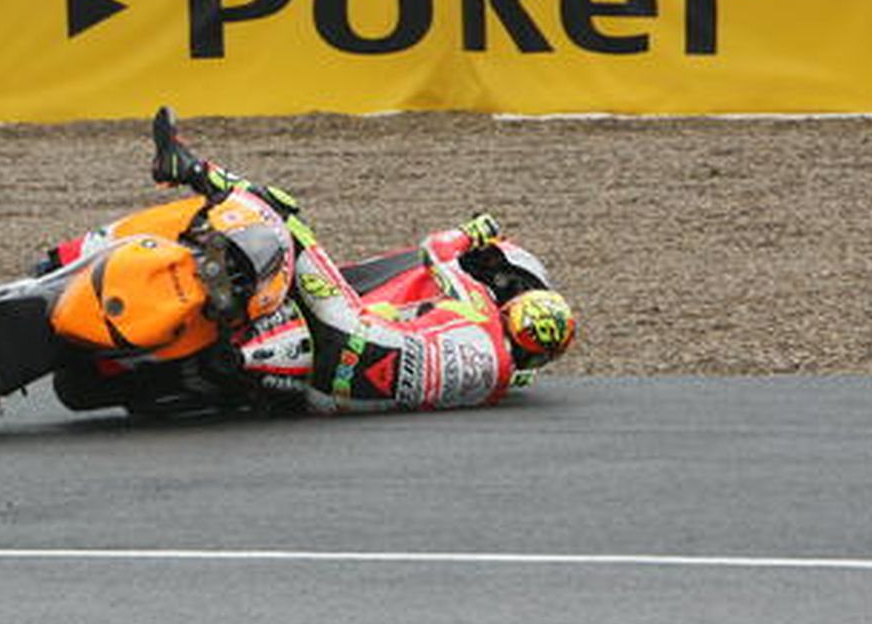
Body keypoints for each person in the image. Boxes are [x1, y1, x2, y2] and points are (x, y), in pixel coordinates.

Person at [147, 108, 576, 413]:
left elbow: (436, 251)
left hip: (350, 330)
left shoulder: (483, 311)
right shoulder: (502, 383)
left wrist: (478, 231)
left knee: (282, 215)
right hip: (346, 391)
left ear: (510, 310)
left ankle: (190, 168)